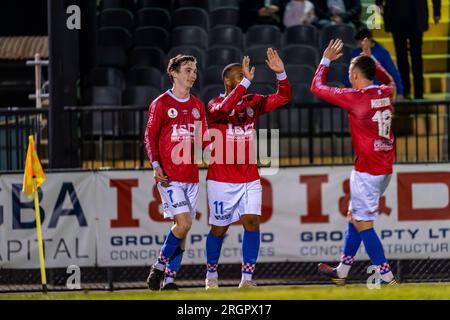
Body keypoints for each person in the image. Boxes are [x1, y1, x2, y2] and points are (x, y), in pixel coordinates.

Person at [310, 38, 397, 285]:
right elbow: (389, 80)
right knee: (354, 216)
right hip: (384, 169)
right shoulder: (386, 92)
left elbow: (316, 86)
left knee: (362, 221)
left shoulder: (355, 98)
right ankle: (342, 271)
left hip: (367, 171)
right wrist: (371, 59)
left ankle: (387, 278)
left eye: (350, 72)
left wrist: (325, 59)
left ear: (356, 75)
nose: (349, 77)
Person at [204, 48, 291, 289]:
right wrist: (244, 84)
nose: (245, 77)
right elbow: (223, 109)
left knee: (252, 222)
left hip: (249, 177)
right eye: (238, 75)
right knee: (219, 229)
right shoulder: (214, 103)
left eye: (246, 74)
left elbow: (282, 97)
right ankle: (211, 276)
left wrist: (281, 74)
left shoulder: (253, 102)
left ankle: (247, 280)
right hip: (221, 179)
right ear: (227, 80)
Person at [144, 54, 208, 291]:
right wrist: (155, 164)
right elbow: (149, 137)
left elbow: (204, 140)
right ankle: (159, 267)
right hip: (169, 177)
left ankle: (168, 281)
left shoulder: (197, 106)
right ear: (174, 73)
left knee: (183, 229)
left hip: (191, 176)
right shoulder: (160, 103)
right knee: (184, 223)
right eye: (188, 70)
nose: (193, 75)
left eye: (194, 70)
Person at [376, 0, 441, 99]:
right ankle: (405, 91)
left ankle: (418, 92)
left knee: (416, 57)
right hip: (396, 14)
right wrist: (379, 3)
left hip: (415, 15)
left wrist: (437, 10)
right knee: (402, 56)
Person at [343, 27, 404, 100]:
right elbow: (349, 72)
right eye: (358, 43)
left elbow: (393, 72)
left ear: (368, 40)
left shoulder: (383, 53)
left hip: (378, 92)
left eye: (360, 43)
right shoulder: (355, 53)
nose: (358, 45)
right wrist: (346, 86)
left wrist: (400, 92)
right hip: (361, 92)